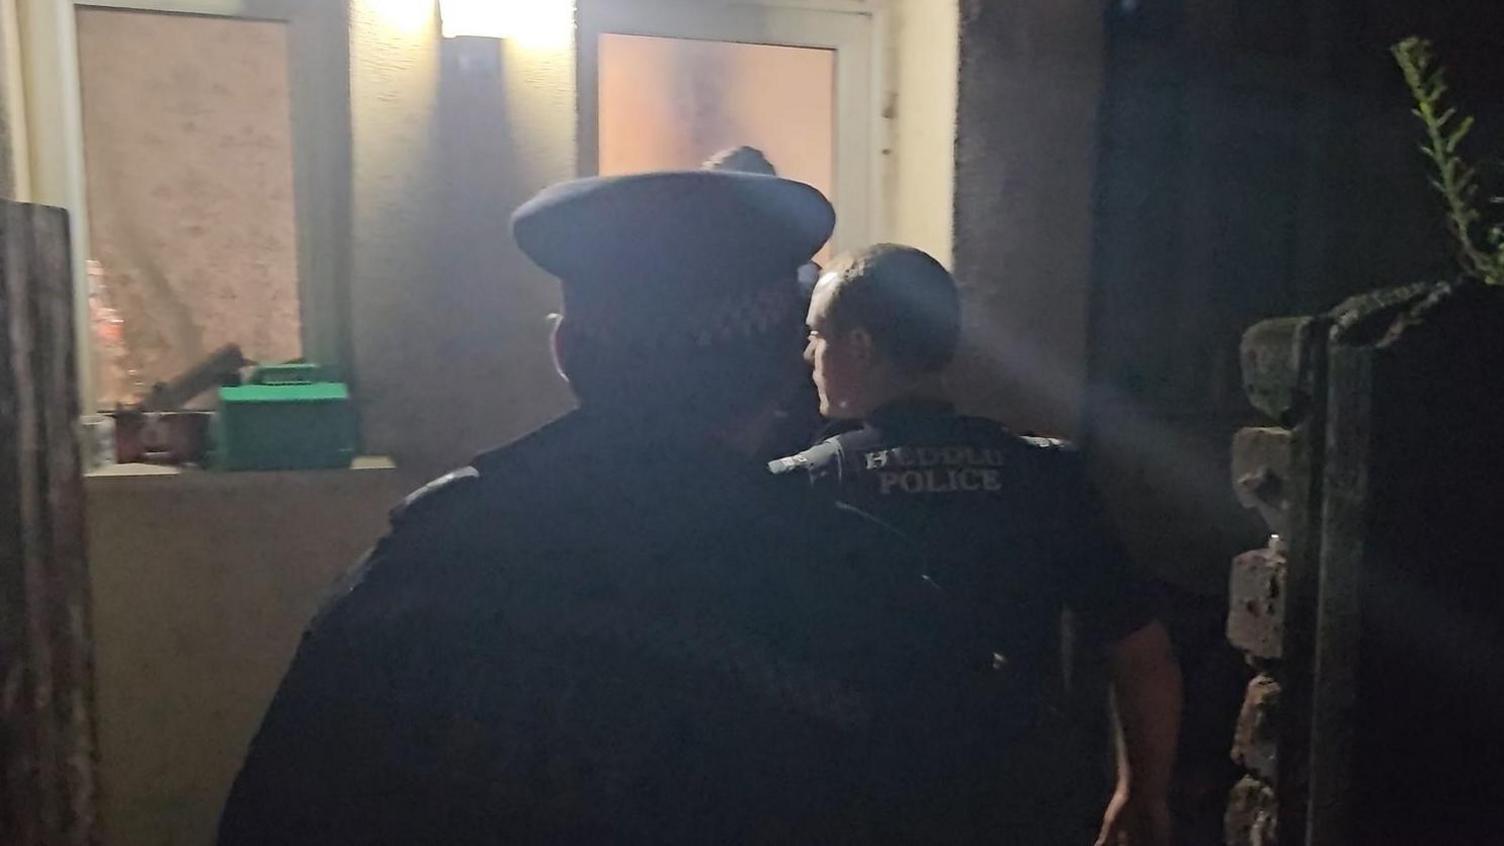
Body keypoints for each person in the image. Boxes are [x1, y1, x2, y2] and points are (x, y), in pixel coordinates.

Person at [217, 174, 991, 844]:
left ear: (568, 355)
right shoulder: (866, 597)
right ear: (783, 367)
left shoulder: (424, 558)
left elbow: (272, 816)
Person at [771, 243, 1184, 846]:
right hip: (1018, 798)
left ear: (859, 345)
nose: (809, 355)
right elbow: (1142, 653)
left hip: (864, 804)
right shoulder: (1046, 475)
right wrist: (1141, 792)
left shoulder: (805, 485)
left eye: (817, 335)